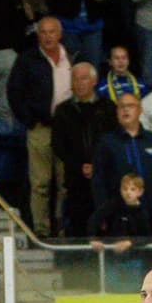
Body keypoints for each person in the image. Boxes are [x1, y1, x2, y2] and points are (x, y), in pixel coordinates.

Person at [7, 17, 74, 237]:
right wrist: (29, 119)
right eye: (43, 32)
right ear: (38, 35)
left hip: (67, 127)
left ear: (60, 33)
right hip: (40, 127)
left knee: (67, 182)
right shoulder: (27, 60)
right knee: (40, 183)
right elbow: (14, 92)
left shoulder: (72, 56)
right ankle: (41, 229)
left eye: (52, 32)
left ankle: (63, 225)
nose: (48, 36)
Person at [91, 94, 152, 229]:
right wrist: (102, 214)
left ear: (140, 110)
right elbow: (99, 182)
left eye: (130, 106)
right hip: (119, 217)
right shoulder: (106, 142)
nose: (125, 110)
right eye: (121, 106)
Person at [53, 64, 113, 237]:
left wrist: (97, 166)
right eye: (75, 79)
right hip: (75, 180)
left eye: (84, 78)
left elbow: (112, 142)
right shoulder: (63, 110)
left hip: (103, 181)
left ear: (94, 81)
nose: (79, 83)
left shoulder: (108, 107)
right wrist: (80, 165)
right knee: (77, 229)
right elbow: (59, 145)